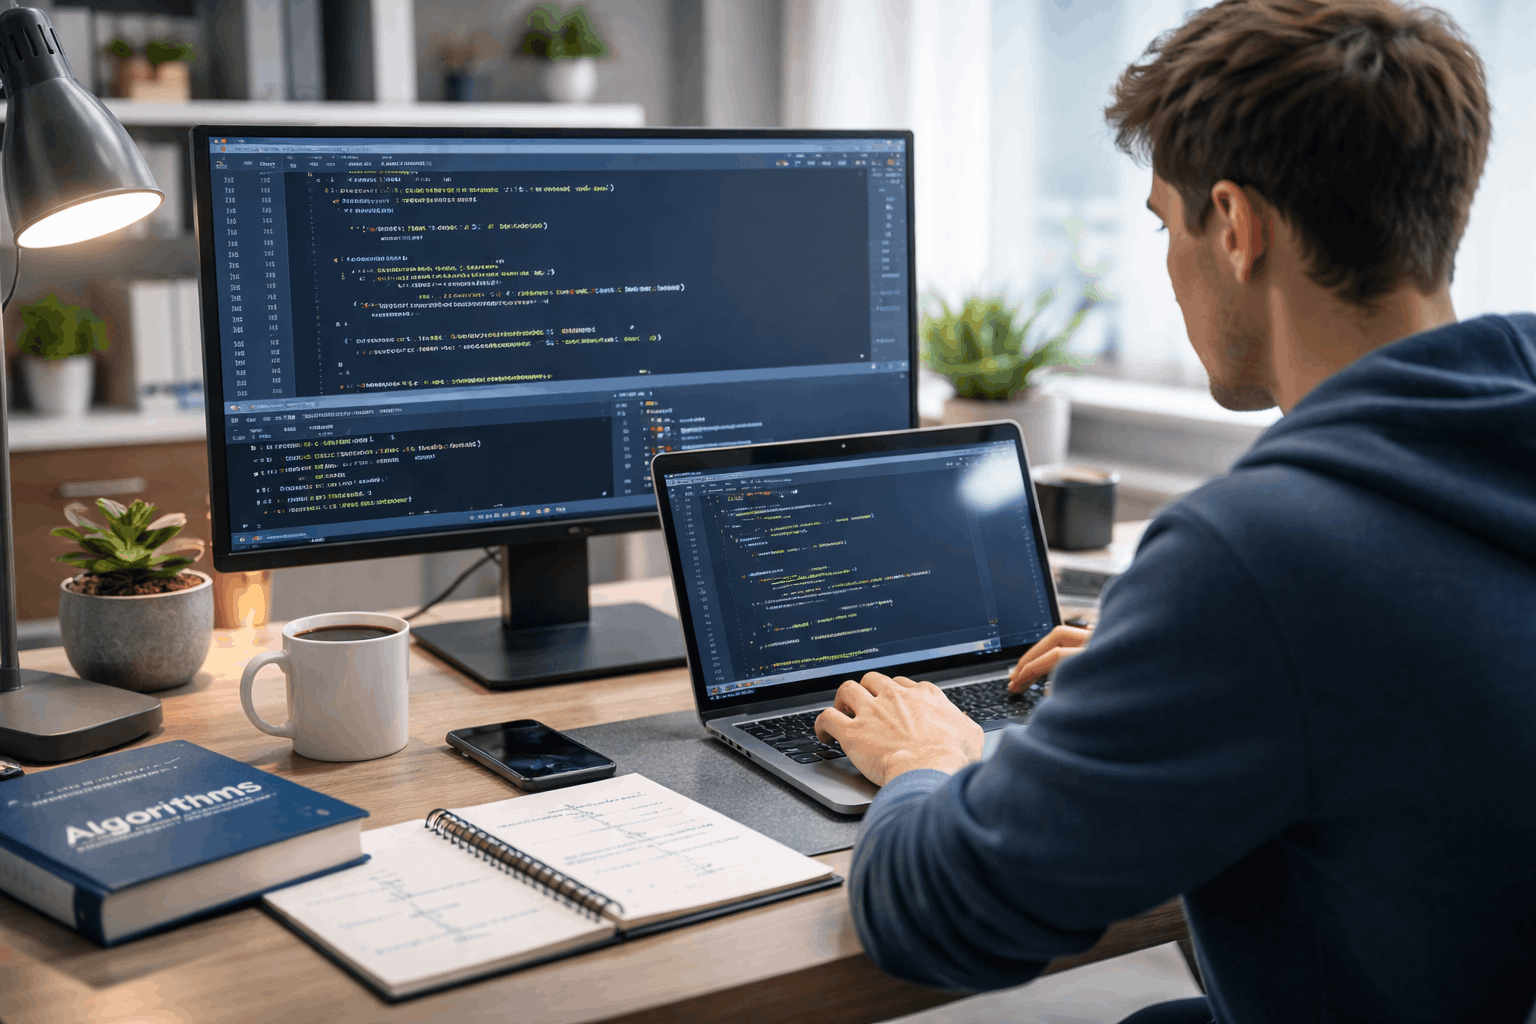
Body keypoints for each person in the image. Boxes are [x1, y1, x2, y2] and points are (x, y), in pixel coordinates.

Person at [813, 2, 1536, 1022]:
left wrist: (927, 758)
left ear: (1235, 227)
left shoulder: (1259, 560)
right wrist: (1170, 662)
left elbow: (938, 913)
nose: (1167, 260)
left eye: (1165, 222)